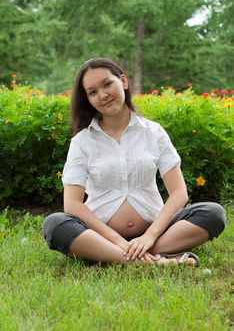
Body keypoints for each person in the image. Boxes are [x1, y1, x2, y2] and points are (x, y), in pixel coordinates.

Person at [43, 58, 226, 266]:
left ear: (123, 81)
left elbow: (179, 193)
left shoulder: (154, 132)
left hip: (156, 233)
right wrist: (119, 241)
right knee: (55, 224)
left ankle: (114, 257)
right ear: (88, 100)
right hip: (102, 235)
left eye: (107, 84)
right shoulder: (82, 142)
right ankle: (154, 261)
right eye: (92, 92)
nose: (103, 95)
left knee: (213, 213)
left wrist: (148, 237)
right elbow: (72, 204)